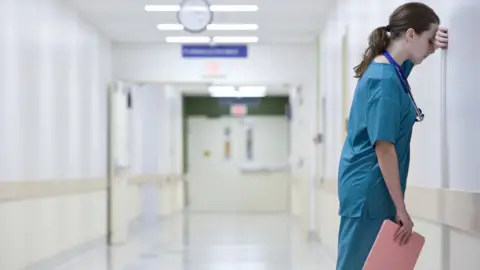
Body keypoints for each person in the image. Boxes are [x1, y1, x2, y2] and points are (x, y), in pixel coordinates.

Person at [336, 2, 448, 269]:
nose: (431, 45)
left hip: (370, 189)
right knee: (355, 264)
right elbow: (384, 148)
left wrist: (431, 48)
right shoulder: (385, 80)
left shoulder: (388, 70)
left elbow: (407, 65)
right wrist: (402, 209)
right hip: (369, 192)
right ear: (410, 34)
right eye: (428, 38)